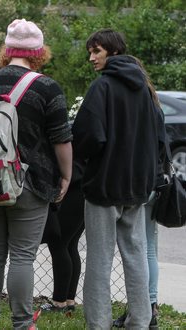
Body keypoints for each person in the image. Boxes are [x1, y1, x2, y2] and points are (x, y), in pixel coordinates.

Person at [0, 19, 73, 329]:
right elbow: (61, 139)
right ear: (39, 52)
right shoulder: (46, 86)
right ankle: (23, 322)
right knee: (23, 256)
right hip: (31, 182)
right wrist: (65, 176)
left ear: (6, 50)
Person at [72, 29, 163, 329]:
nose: (91, 57)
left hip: (104, 187)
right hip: (137, 188)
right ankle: (140, 320)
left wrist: (82, 166)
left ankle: (98, 324)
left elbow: (87, 136)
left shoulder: (103, 88)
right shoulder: (145, 89)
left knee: (99, 260)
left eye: (96, 51)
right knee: (136, 256)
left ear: (112, 51)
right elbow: (157, 137)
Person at [112, 56, 167, 329]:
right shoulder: (154, 104)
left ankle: (145, 307)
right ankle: (147, 307)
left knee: (140, 249)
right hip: (154, 182)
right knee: (148, 248)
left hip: (140, 183)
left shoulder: (138, 104)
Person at [40, 160, 85, 314]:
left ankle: (59, 302)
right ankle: (68, 300)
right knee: (70, 244)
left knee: (59, 243)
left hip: (73, 185)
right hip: (83, 184)